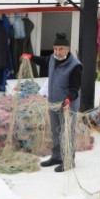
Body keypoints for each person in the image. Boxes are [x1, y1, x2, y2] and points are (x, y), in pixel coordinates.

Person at [21, 32, 82, 172]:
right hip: (53, 102)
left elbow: (75, 88)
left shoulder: (75, 66)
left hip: (68, 104)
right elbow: (42, 61)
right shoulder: (52, 59)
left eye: (60, 49)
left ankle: (69, 160)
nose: (57, 52)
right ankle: (56, 156)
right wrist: (30, 57)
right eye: (55, 49)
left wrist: (68, 100)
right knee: (55, 130)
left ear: (67, 49)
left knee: (67, 132)